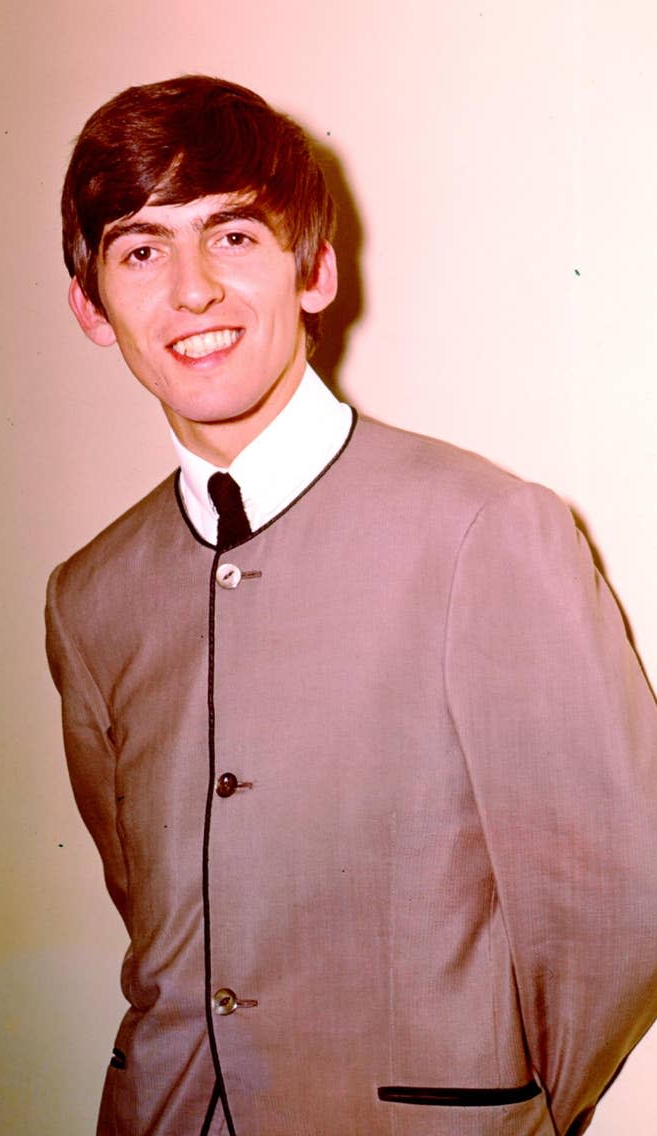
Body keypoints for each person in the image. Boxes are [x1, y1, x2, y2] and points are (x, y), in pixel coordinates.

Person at [46, 75, 657, 1136]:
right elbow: (151, 898)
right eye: (141, 249)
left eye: (233, 236)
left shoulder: (485, 530)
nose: (190, 290)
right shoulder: (88, 592)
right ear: (93, 307)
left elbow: (619, 897)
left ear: (314, 270)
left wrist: (493, 1111)